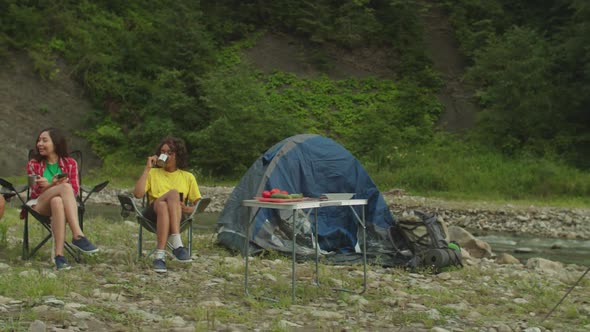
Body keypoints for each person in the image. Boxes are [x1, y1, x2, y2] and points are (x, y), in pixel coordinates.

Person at [27, 128, 98, 270]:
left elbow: (75, 190)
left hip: (63, 203)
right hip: (39, 203)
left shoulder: (70, 163)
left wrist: (54, 186)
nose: (39, 144)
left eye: (44, 140)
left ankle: (59, 257)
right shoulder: (34, 164)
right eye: (39, 140)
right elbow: (34, 191)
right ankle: (77, 235)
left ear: (56, 143)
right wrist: (53, 185)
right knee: (65, 187)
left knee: (57, 201)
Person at [134, 136, 202, 273]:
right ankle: (177, 243)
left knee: (164, 206)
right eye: (162, 152)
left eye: (169, 153)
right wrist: (147, 169)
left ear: (178, 155)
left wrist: (189, 209)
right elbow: (138, 194)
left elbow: (199, 204)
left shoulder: (188, 177)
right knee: (173, 194)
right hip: (152, 215)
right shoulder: (153, 173)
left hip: (177, 216)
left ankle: (159, 257)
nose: (164, 155)